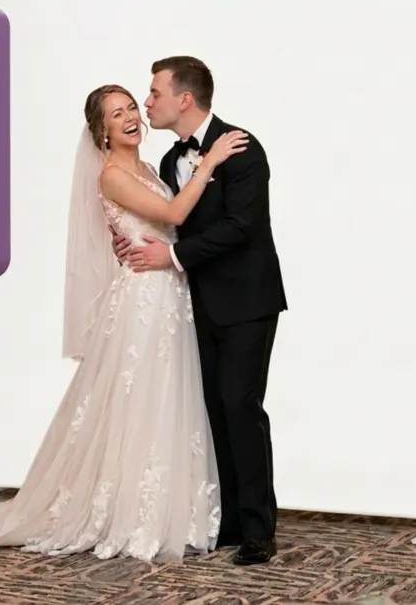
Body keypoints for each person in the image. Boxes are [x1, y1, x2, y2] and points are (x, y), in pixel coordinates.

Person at [0, 84, 247, 562]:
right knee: (140, 398)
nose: (130, 117)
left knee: (167, 397)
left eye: (131, 107)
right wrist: (211, 161)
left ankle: (171, 508)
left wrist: (145, 240)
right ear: (101, 131)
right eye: (116, 114)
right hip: (144, 299)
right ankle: (132, 513)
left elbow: (167, 226)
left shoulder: (150, 168)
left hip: (170, 293)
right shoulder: (113, 175)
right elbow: (171, 212)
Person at [112, 56, 287, 566]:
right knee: (213, 410)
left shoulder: (242, 147)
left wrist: (171, 256)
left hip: (247, 300)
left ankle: (259, 530)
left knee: (241, 407)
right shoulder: (171, 160)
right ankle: (228, 521)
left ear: (184, 98)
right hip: (196, 303)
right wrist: (134, 242)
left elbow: (241, 227)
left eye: (154, 93)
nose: (147, 103)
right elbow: (173, 219)